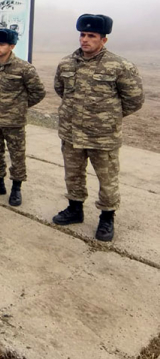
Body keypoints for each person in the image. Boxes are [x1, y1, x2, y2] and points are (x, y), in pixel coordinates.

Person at [51, 14, 144, 242]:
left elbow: (134, 99)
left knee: (107, 178)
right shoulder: (66, 63)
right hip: (72, 132)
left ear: (104, 39)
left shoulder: (120, 66)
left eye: (91, 36)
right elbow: (60, 89)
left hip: (103, 136)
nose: (85, 40)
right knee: (73, 174)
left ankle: (107, 217)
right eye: (82, 35)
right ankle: (75, 208)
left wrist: (107, 117)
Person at [0, 29, 46, 206]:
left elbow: (38, 92)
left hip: (14, 122)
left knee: (16, 155)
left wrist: (18, 107)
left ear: (12, 46)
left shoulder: (24, 68)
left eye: (2, 44)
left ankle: (16, 188)